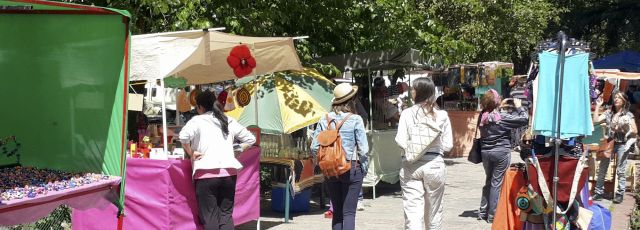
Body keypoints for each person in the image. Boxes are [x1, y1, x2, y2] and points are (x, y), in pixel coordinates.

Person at [179, 91, 256, 230]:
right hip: (229, 174)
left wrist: (190, 152)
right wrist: (237, 150)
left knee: (210, 217)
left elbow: (183, 137)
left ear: (200, 107)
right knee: (225, 216)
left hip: (206, 174)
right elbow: (251, 139)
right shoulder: (227, 119)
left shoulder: (198, 120)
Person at [395, 77, 453, 230]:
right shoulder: (442, 115)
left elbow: (400, 141)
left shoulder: (407, 114)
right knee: (434, 211)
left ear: (419, 92)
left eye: (413, 89)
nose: (411, 92)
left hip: (411, 166)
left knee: (413, 212)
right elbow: (448, 145)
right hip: (435, 164)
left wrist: (413, 147)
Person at [311, 83, 369, 230]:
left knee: (337, 212)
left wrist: (323, 162)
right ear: (351, 100)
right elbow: (364, 150)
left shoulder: (324, 119)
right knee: (349, 213)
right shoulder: (356, 119)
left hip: (330, 170)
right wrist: (363, 168)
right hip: (351, 168)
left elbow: (313, 147)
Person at [477, 89, 528, 223]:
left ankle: (483, 212)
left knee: (489, 181)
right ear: (497, 102)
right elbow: (524, 119)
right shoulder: (502, 117)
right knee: (496, 183)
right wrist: (519, 106)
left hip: (486, 152)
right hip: (501, 152)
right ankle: (493, 215)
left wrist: (500, 105)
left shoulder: (482, 116)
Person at [593, 92, 637, 203]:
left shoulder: (628, 115)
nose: (616, 99)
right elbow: (595, 121)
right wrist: (598, 106)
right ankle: (598, 192)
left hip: (623, 143)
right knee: (603, 167)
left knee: (621, 170)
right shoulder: (609, 113)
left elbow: (635, 131)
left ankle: (619, 194)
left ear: (624, 101)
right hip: (609, 142)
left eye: (619, 97)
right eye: (615, 97)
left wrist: (622, 128)